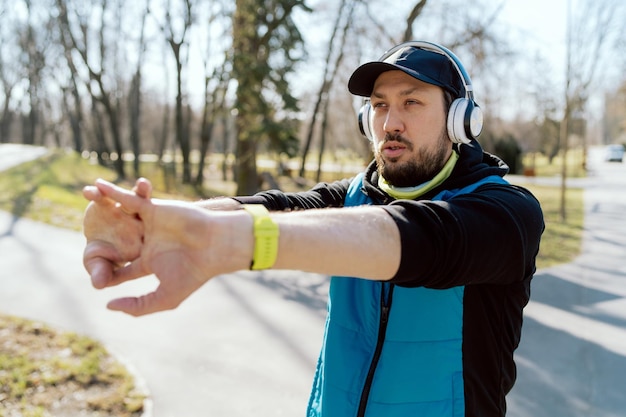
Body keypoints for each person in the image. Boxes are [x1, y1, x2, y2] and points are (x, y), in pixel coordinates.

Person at [82, 40, 544, 417]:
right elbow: (280, 206)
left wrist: (225, 242)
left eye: (412, 102)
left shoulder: (507, 215)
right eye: (379, 106)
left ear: (461, 120)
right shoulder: (354, 195)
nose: (391, 122)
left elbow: (426, 240)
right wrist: (162, 223)